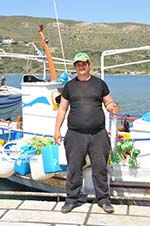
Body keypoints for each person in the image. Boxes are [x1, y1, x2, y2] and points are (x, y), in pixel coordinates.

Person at [54, 52, 120, 214]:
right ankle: (71, 200)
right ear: (75, 67)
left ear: (89, 65)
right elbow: (62, 109)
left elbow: (109, 102)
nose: (81, 67)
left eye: (84, 63)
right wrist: (56, 130)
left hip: (98, 134)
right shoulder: (69, 86)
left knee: (100, 168)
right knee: (74, 168)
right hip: (75, 135)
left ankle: (103, 199)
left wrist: (113, 107)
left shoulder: (100, 84)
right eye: (78, 64)